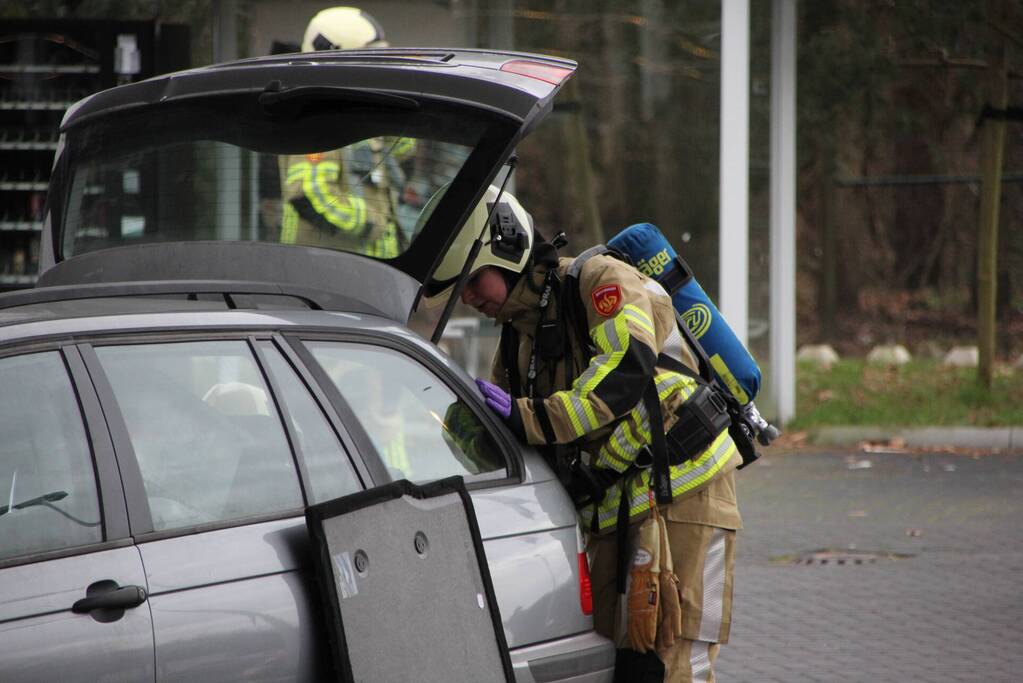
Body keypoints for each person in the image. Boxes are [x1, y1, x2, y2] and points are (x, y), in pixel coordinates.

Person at [426, 185, 743, 682]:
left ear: (505, 248)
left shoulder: (600, 283)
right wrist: (456, 424)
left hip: (684, 493)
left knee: (673, 663)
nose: (467, 299)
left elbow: (624, 369)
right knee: (625, 668)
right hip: (620, 512)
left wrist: (530, 416)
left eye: (471, 280)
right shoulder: (517, 344)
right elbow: (507, 435)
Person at [276, 6, 405, 258]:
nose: (379, 69)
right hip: (326, 275)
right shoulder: (315, 119)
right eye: (370, 61)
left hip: (368, 274)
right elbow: (311, 195)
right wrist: (372, 224)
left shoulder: (357, 115)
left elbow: (401, 150)